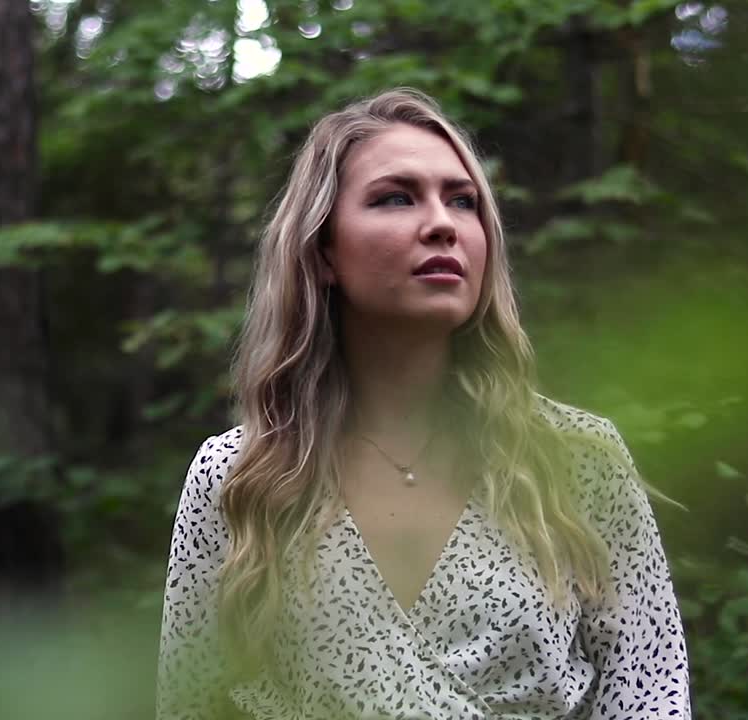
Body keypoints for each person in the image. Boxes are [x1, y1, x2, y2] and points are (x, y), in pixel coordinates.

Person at [156, 88, 691, 719]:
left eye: (463, 201)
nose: (442, 223)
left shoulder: (577, 458)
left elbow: (650, 694)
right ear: (323, 252)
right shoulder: (241, 476)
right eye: (396, 197)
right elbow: (191, 705)